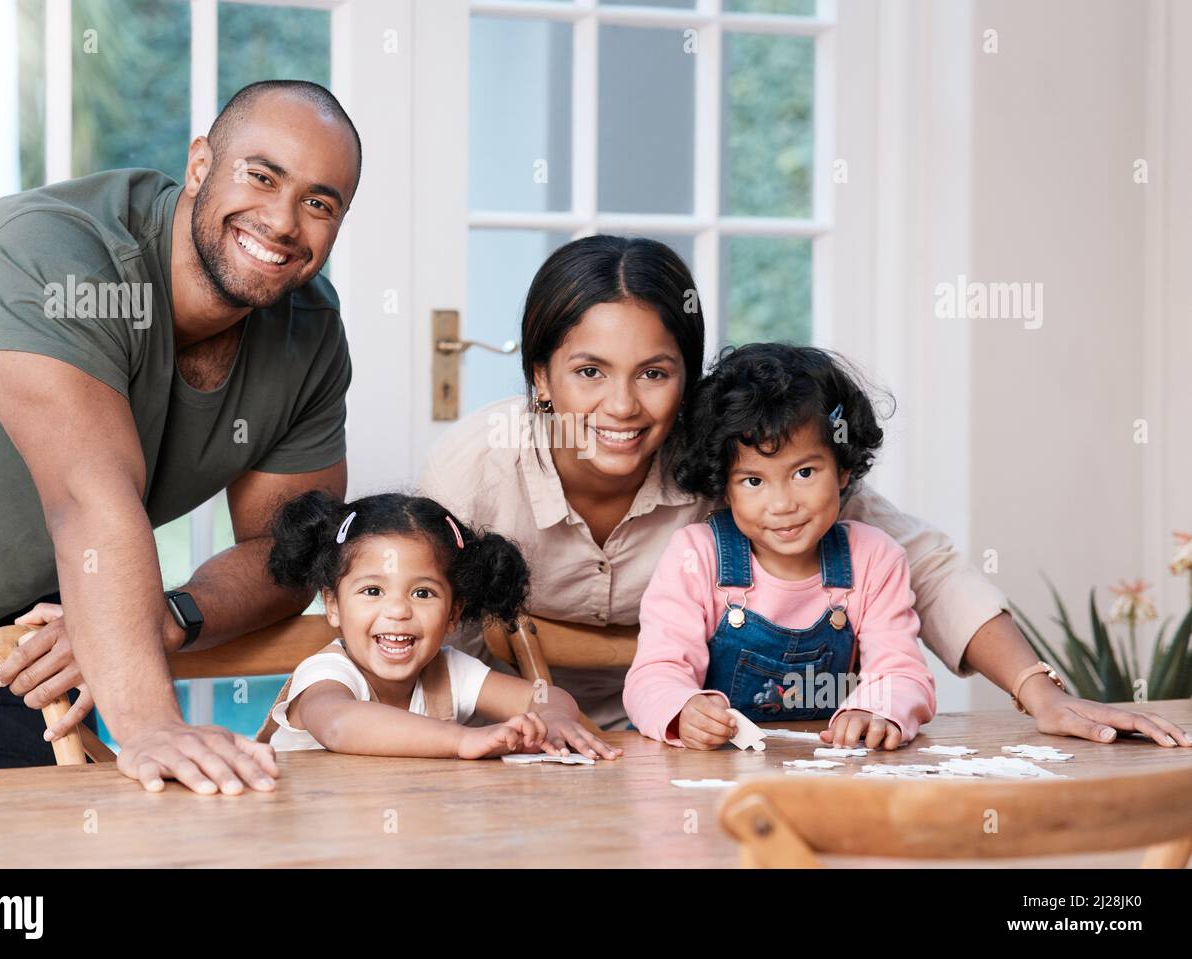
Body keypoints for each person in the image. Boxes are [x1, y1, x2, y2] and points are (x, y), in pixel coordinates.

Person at [419, 234, 1192, 748]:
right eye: (589, 372)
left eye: (654, 373)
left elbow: (920, 561)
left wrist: (1038, 689)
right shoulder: (480, 466)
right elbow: (398, 616)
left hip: (698, 748)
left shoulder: (733, 454)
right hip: (512, 737)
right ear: (540, 378)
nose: (621, 407)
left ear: (686, 379)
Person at [0, 80, 362, 792]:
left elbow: (294, 550)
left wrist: (167, 614)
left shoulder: (310, 336)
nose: (282, 220)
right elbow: (88, 497)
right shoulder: (60, 256)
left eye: (319, 202)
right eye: (261, 176)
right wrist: (150, 724)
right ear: (200, 163)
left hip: (2, 634)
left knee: (36, 858)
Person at [625, 343, 935, 750]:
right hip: (703, 773)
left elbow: (901, 671)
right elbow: (654, 672)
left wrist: (877, 709)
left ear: (843, 470)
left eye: (804, 472)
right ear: (725, 487)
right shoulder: (695, 556)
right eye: (753, 481)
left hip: (822, 774)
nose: (783, 504)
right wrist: (682, 709)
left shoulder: (874, 558)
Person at [261, 491, 622, 760]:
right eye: (373, 591)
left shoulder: (451, 671)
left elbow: (541, 695)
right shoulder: (327, 673)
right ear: (333, 604)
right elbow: (340, 724)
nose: (399, 611)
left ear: (453, 613)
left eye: (422, 593)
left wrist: (554, 719)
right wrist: (462, 740)